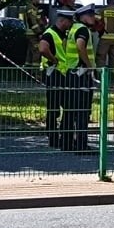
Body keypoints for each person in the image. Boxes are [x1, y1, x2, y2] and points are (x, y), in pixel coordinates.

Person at [62, 4, 98, 153]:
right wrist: (89, 65)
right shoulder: (82, 30)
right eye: (91, 15)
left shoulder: (73, 28)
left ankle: (67, 144)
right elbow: (80, 46)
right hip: (81, 74)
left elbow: (66, 45)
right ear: (83, 17)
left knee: (70, 110)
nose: (93, 18)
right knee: (83, 111)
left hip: (72, 72)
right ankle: (81, 146)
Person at [37, 9, 73, 149]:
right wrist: (54, 60)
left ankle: (63, 136)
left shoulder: (64, 33)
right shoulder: (50, 33)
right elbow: (43, 48)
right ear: (62, 20)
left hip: (62, 74)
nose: (70, 24)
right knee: (53, 108)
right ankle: (53, 137)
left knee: (67, 106)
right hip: (54, 74)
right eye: (69, 21)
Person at [95, 0, 114, 79]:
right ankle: (112, 78)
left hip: (104, 37)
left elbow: (96, 20)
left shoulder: (103, 11)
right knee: (113, 58)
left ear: (107, 2)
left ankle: (100, 77)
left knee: (101, 57)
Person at [24, 0, 47, 67]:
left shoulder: (34, 8)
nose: (39, 0)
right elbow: (32, 22)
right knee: (36, 52)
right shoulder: (31, 8)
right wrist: (39, 33)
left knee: (30, 53)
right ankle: (36, 74)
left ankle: (28, 72)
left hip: (32, 34)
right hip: (33, 34)